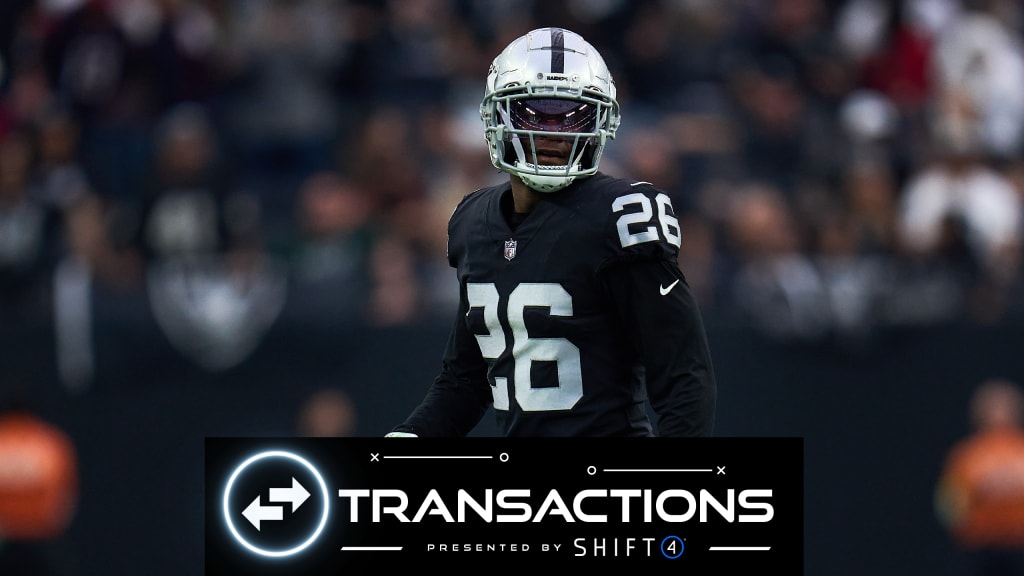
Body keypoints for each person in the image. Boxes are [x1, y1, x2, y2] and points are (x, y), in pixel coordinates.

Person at [387, 27, 716, 437]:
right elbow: (467, 379)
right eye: (534, 112)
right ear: (497, 117)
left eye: (572, 115)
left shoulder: (621, 215)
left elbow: (685, 379)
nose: (553, 131)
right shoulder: (473, 220)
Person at [935, 378, 1024, 575]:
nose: (999, 413)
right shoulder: (967, 456)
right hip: (982, 548)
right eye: (993, 407)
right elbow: (949, 502)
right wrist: (964, 530)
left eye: (1004, 406)